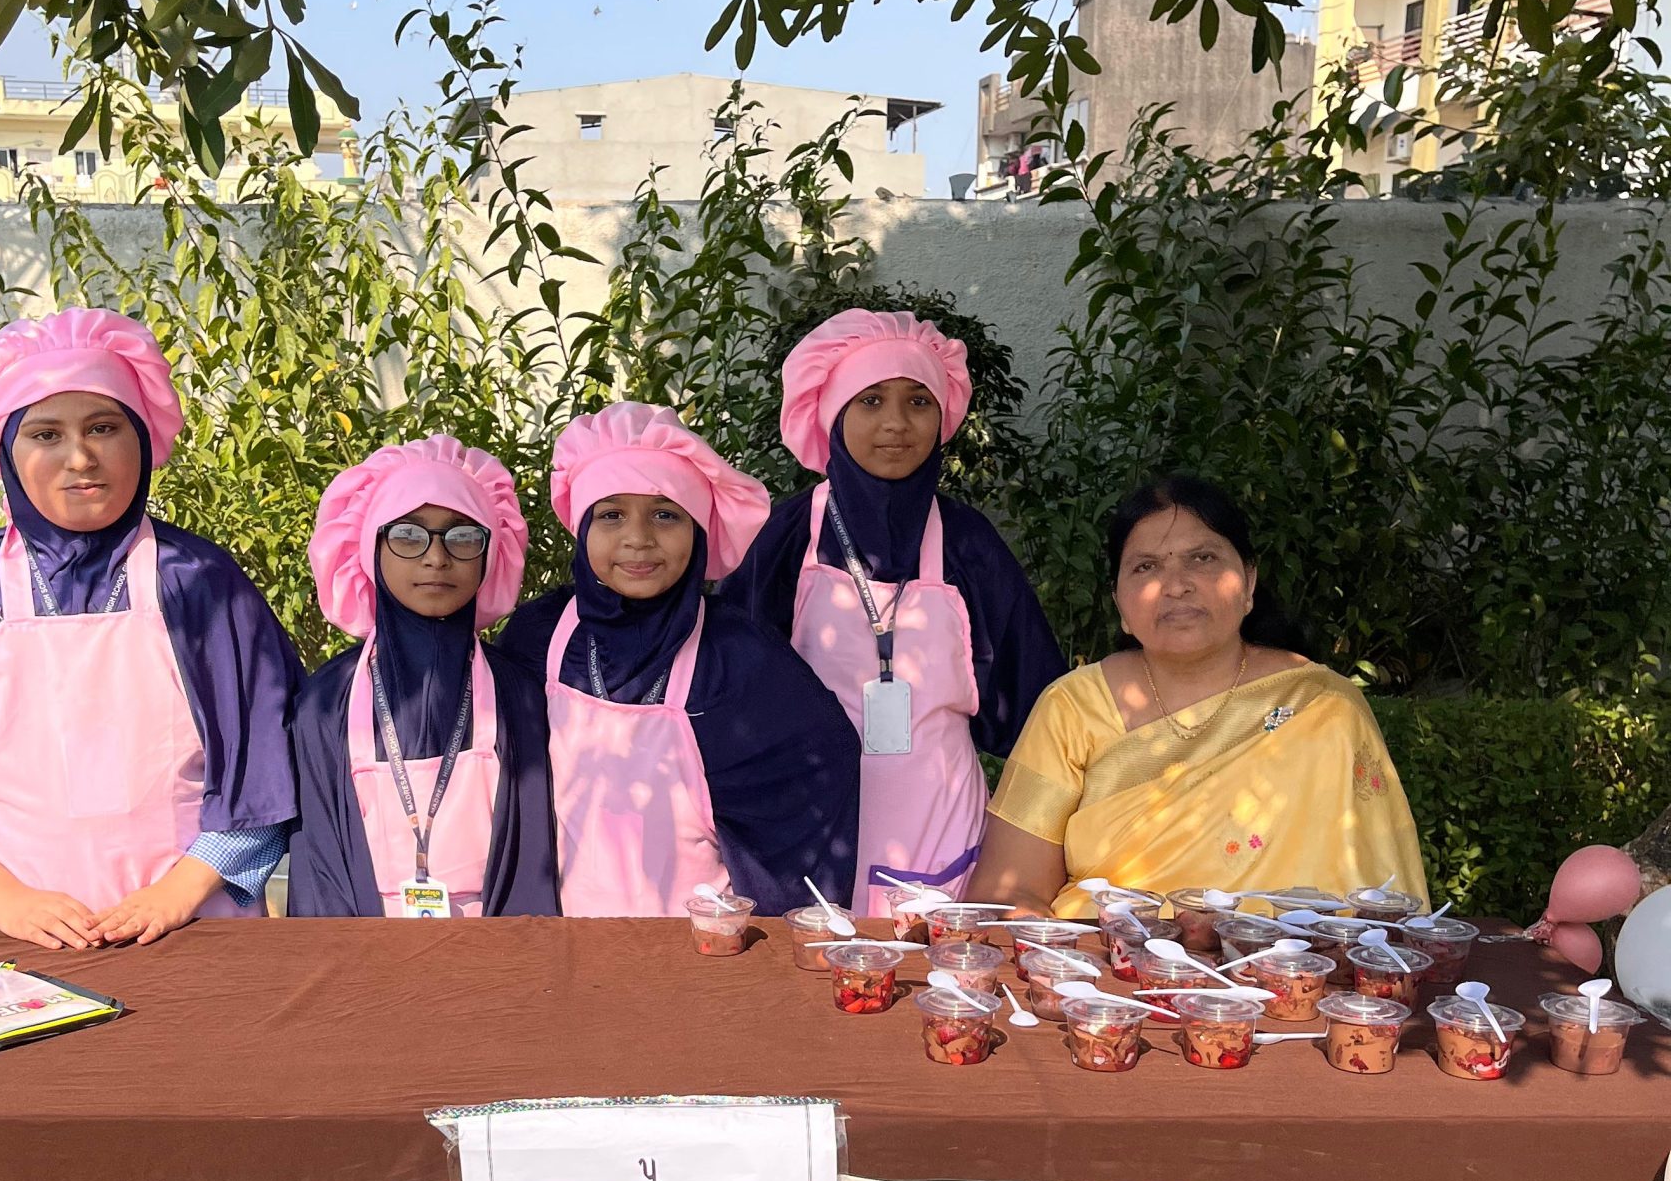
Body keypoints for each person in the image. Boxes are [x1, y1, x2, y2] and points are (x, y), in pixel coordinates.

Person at [0, 308, 300, 946]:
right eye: (45, 434)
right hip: (4, 936)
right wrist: (10, 902)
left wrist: (176, 895)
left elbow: (267, 772)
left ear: (143, 437)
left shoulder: (200, 580)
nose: (80, 457)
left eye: (104, 427)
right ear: (7, 451)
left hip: (195, 928)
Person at [723, 307, 1064, 916]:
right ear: (833, 414)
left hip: (944, 833)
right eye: (871, 400)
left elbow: (1037, 710)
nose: (896, 423)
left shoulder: (968, 544)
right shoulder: (788, 539)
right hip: (810, 837)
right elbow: (731, 697)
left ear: (943, 415)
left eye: (918, 401)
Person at [970, 473, 1428, 912]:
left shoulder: (1321, 707)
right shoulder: (1073, 707)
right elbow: (1008, 890)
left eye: (1202, 558)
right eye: (1146, 566)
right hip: (1108, 959)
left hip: (1285, 961)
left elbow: (1378, 912)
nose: (1176, 585)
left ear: (1248, 583)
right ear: (1120, 604)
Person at [494, 402, 859, 916]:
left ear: (698, 529)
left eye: (665, 515)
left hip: (697, 942)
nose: (638, 538)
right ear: (581, 527)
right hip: (558, 934)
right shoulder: (539, 637)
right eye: (611, 515)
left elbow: (818, 770)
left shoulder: (740, 657)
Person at [287, 435, 558, 917]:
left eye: (463, 536)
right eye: (408, 536)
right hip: (362, 952)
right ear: (370, 549)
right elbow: (320, 868)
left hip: (498, 951)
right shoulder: (326, 702)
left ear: (490, 554)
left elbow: (532, 863)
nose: (437, 557)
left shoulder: (519, 696)